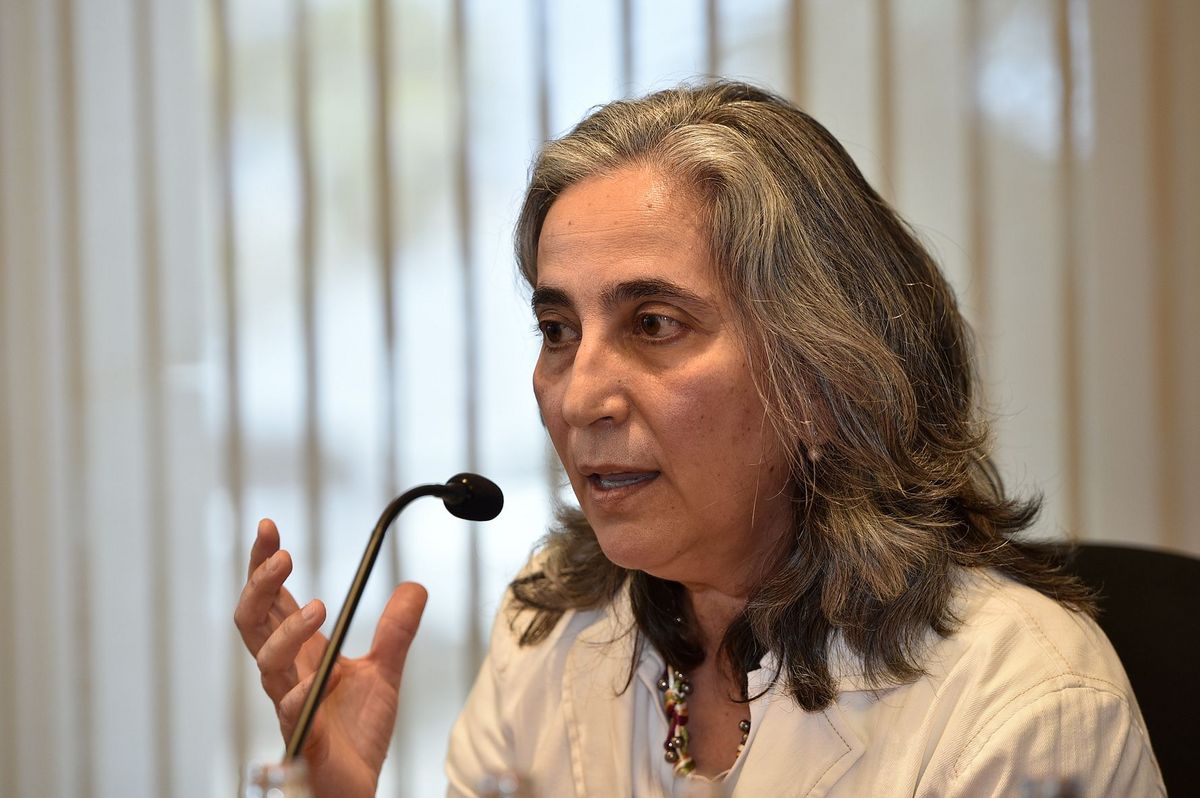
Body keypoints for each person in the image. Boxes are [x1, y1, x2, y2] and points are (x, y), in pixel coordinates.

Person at [235, 81, 1164, 797]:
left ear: (820, 374)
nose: (579, 395)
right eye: (558, 330)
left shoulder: (1027, 708)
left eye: (653, 324)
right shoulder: (552, 629)